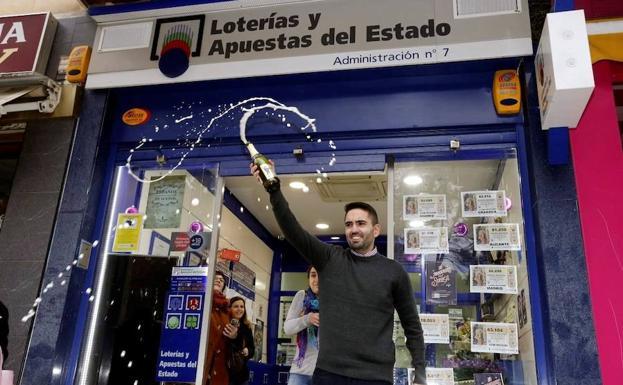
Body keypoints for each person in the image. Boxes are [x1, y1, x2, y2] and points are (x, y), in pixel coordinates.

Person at [250, 163, 426, 385]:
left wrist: (420, 375)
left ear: (376, 230)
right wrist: (273, 188)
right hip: (329, 375)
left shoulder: (394, 271)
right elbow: (293, 230)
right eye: (349, 224)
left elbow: (412, 326)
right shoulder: (330, 259)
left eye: (361, 223)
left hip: (375, 378)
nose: (354, 229)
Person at [283, 266, 320, 385]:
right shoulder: (302, 296)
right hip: (300, 370)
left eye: (321, 275)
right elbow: (287, 328)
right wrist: (307, 319)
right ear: (309, 278)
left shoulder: (334, 301)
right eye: (313, 275)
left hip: (326, 372)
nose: (317, 280)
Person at [203, 271, 238, 385]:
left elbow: (237, 339)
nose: (218, 280)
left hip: (220, 365)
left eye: (221, 280)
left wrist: (234, 335)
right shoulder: (201, 300)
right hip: (200, 361)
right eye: (215, 278)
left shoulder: (228, 310)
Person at [228, 297, 255, 385]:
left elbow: (252, 349)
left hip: (241, 373)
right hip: (225, 371)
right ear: (230, 308)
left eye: (242, 306)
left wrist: (248, 351)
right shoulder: (225, 323)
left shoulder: (247, 327)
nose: (239, 309)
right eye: (236, 306)